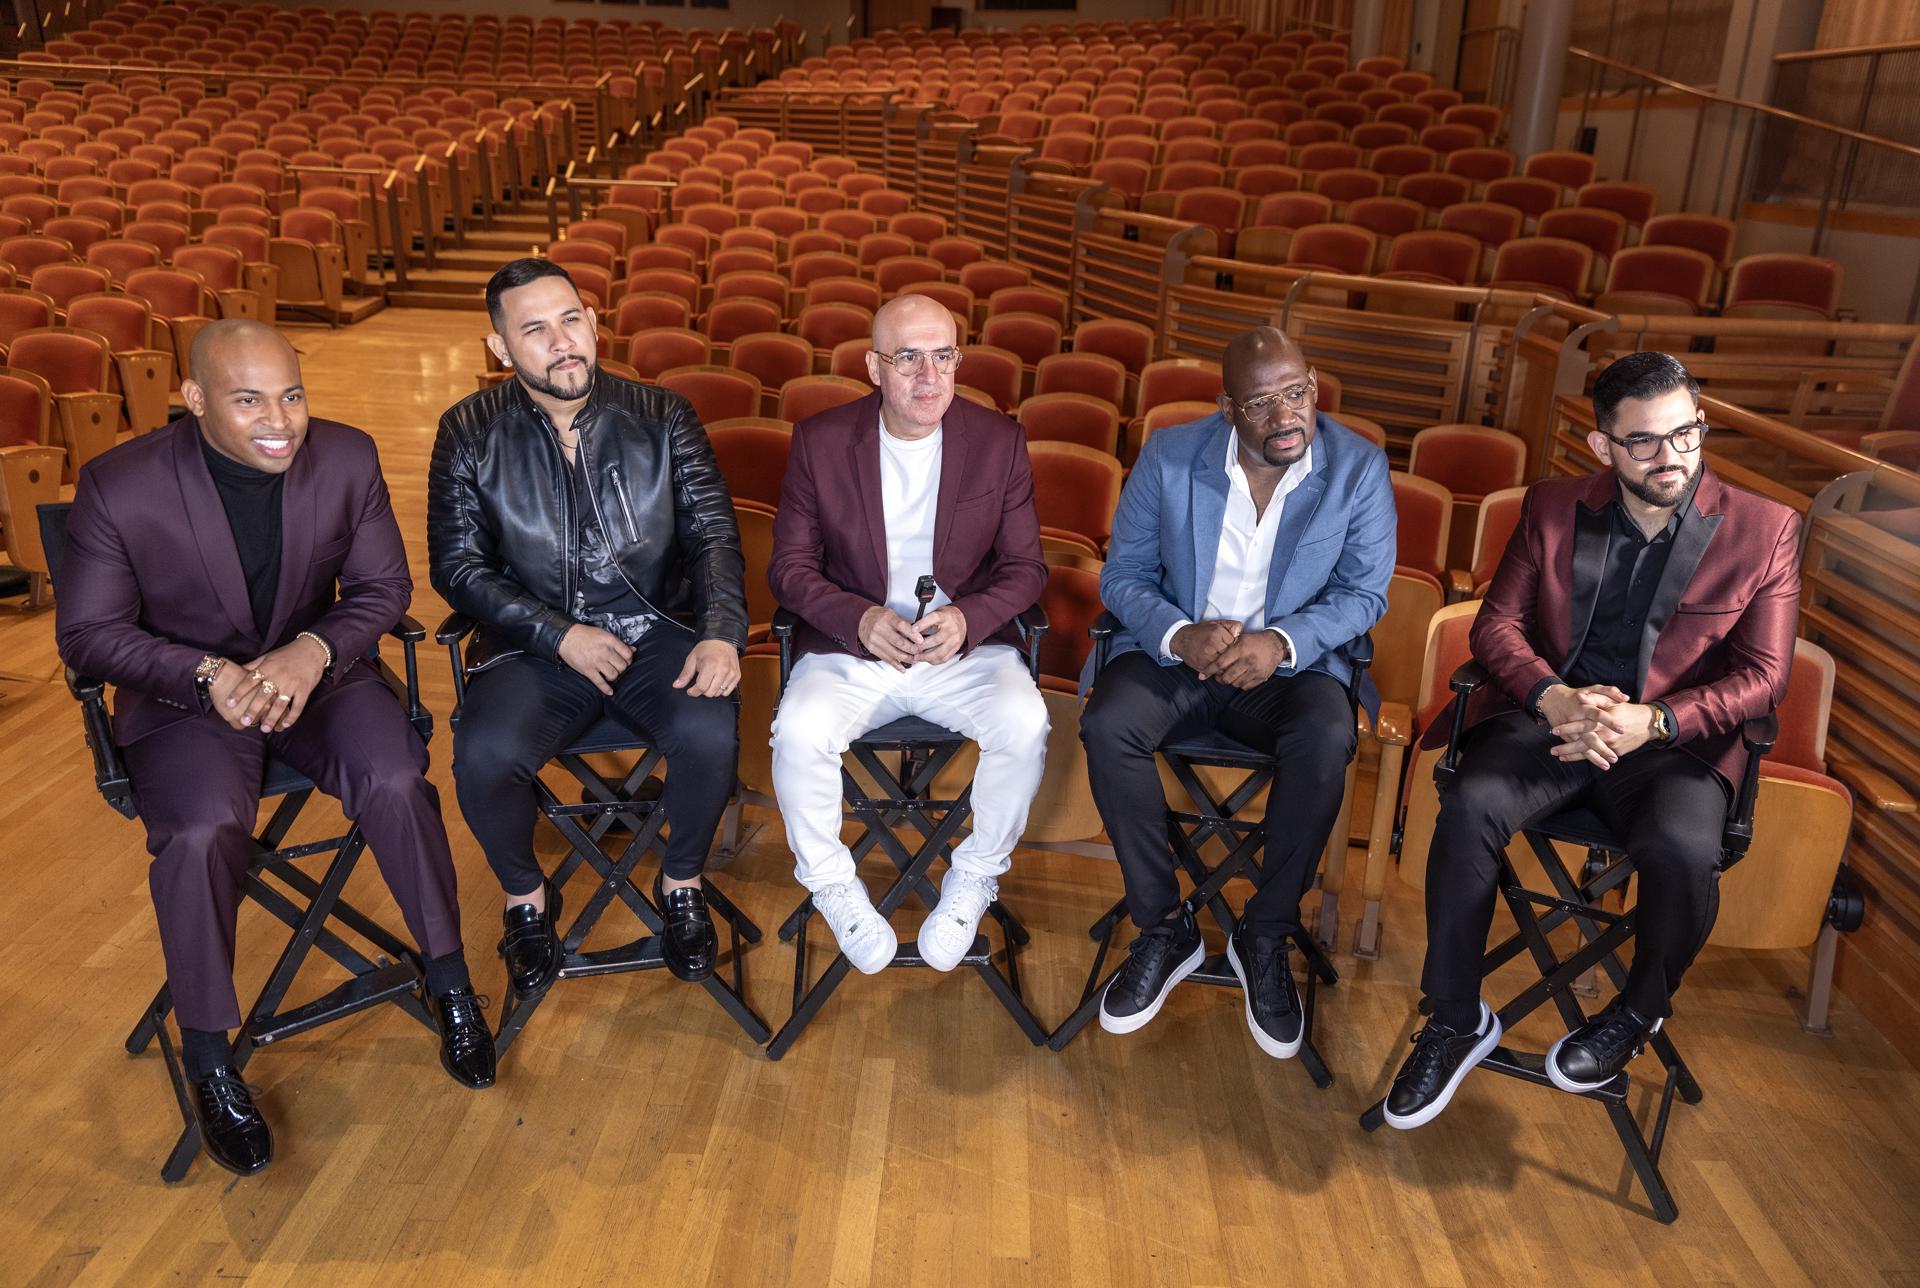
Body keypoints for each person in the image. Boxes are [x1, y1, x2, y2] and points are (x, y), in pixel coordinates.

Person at [55, 319, 493, 1179]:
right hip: (188, 699)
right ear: (194, 401)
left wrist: (316, 650)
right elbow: (90, 636)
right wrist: (207, 674)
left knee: (397, 777)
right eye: (249, 399)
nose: (281, 421)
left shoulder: (348, 456)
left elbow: (380, 589)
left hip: (320, 676)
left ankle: (449, 984)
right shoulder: (119, 484)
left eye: (291, 395)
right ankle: (212, 1059)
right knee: (199, 831)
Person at [1382, 351, 1799, 1130]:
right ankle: (1453, 1017)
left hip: (1674, 745)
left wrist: (1659, 720)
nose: (1670, 456)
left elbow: (1765, 677)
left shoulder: (1766, 530)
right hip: (1558, 725)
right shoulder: (1550, 506)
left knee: (1680, 852)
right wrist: (1551, 696)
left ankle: (1638, 1015)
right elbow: (1496, 627)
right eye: (1643, 441)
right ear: (1603, 446)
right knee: (1469, 801)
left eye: (1685, 433)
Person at [428, 258, 746, 994]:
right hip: (534, 645)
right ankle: (526, 900)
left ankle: (682, 884)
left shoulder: (662, 415)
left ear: (595, 325)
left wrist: (722, 630)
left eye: (571, 320)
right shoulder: (468, 432)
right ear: (501, 348)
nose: (561, 341)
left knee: (708, 731)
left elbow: (714, 539)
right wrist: (555, 633)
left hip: (655, 626)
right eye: (534, 329)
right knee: (482, 755)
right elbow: (458, 568)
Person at [1080, 326, 1394, 1059]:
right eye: (1261, 404)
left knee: (1326, 738)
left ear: (1313, 384)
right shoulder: (1167, 456)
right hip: (1179, 659)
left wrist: (1280, 643)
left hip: (1289, 671)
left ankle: (1266, 931)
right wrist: (1179, 633)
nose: (1286, 417)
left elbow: (1363, 595)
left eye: (1296, 393)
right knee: (1107, 726)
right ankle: (1164, 927)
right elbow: (1120, 576)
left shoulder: (1358, 470)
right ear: (1228, 408)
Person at [767, 294, 1049, 974]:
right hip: (852, 649)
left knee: (1025, 722)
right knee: (798, 731)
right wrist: (857, 618)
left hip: (963, 652)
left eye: (944, 356)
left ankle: (976, 875)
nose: (929, 378)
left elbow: (1025, 569)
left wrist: (969, 617)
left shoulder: (998, 440)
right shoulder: (821, 440)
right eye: (908, 359)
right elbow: (790, 569)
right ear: (873, 367)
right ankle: (834, 884)